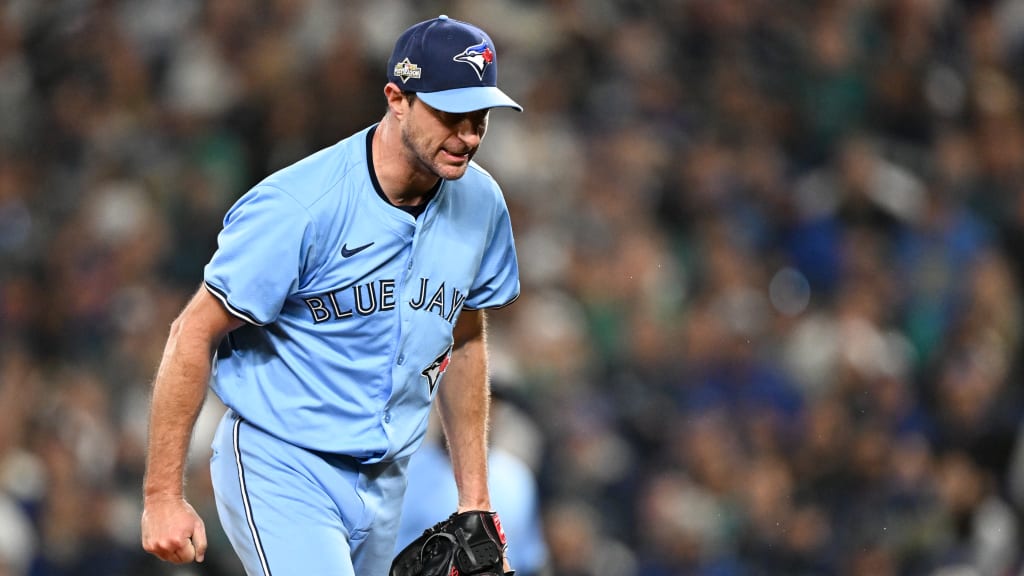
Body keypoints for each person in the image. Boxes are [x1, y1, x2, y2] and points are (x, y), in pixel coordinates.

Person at [140, 14, 522, 576]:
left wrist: (475, 501)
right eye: (449, 114)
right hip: (283, 463)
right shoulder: (301, 206)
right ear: (397, 99)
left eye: (479, 117)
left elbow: (462, 340)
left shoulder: (481, 202)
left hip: (388, 480)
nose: (467, 136)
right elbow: (193, 331)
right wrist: (161, 496)